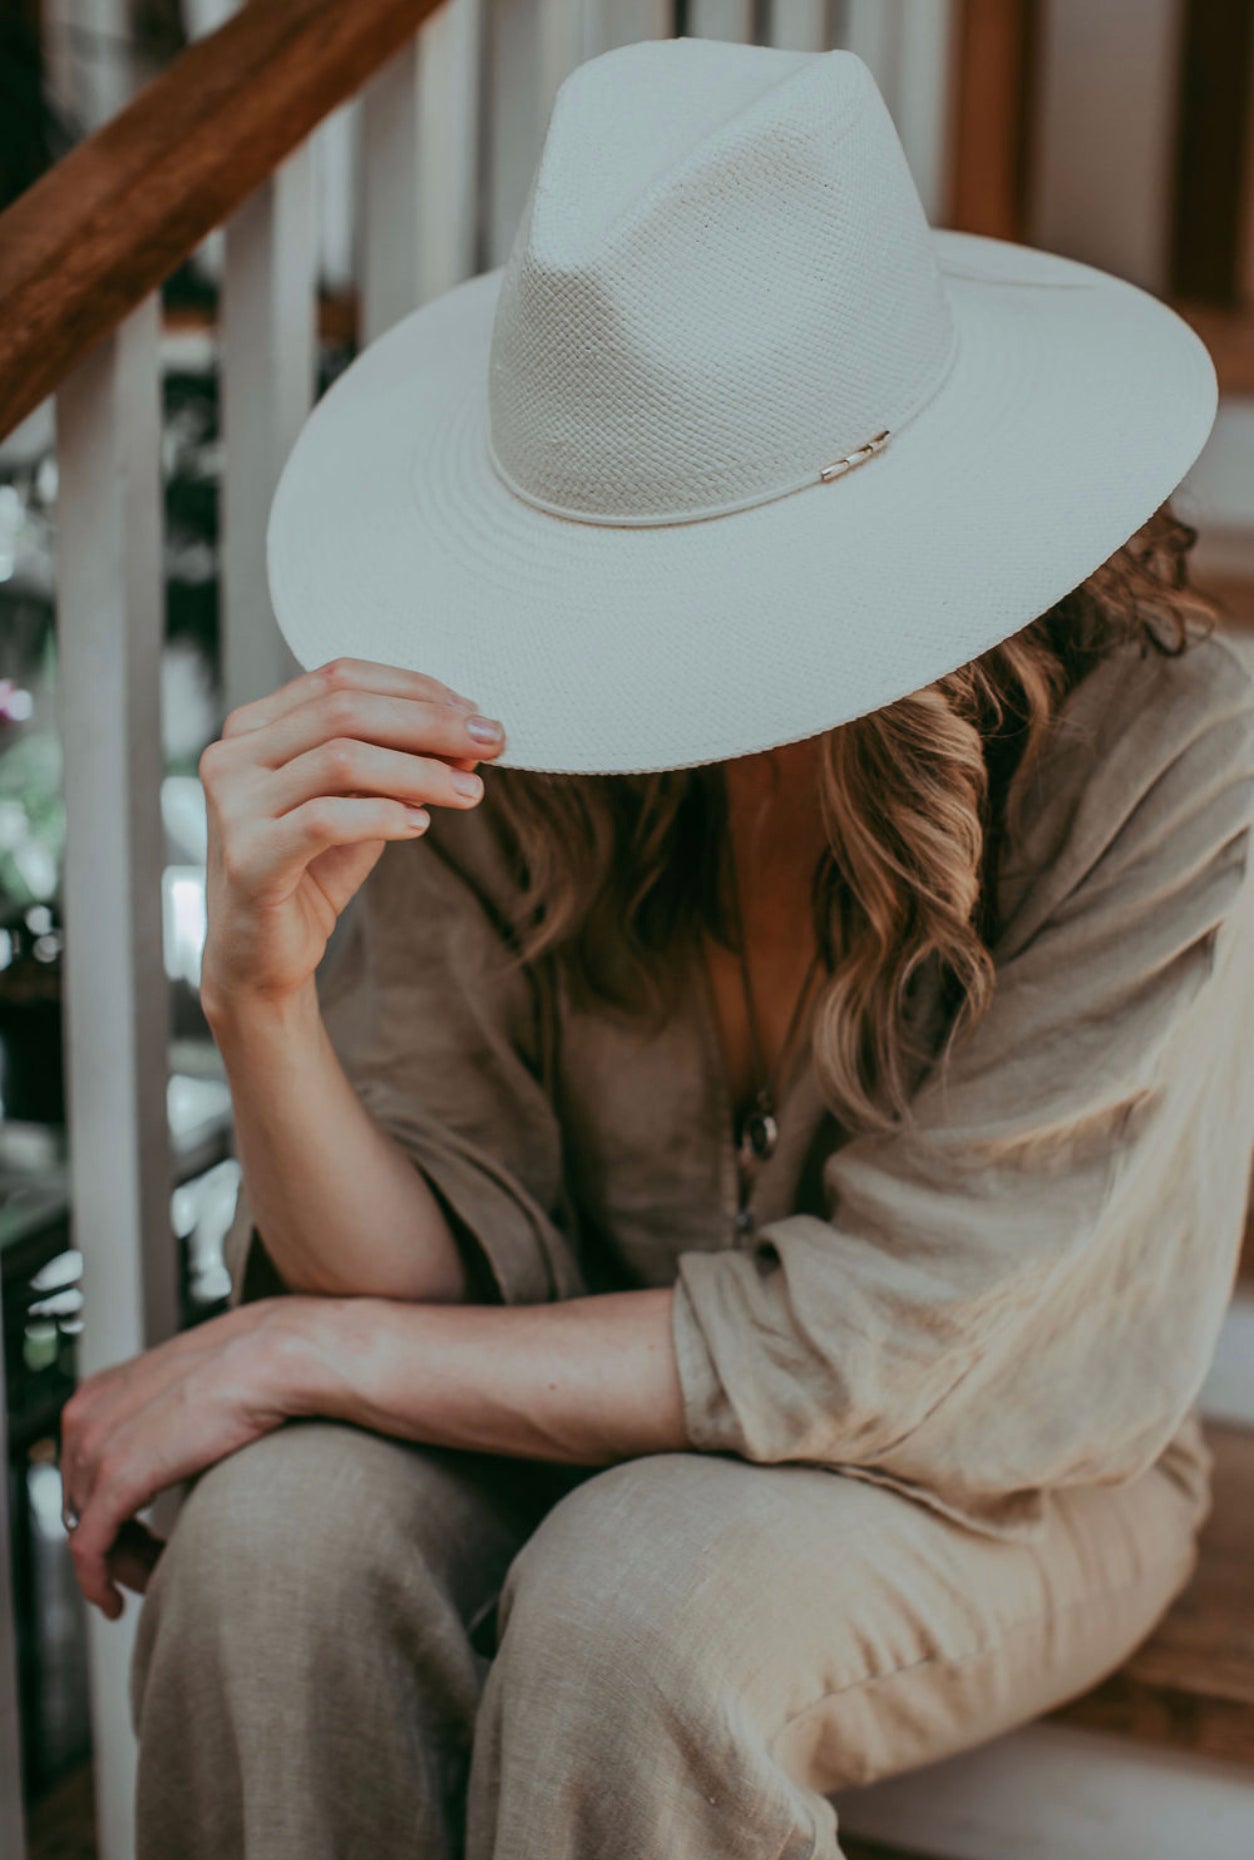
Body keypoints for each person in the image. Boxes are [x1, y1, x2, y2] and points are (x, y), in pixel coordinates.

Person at [58, 37, 1254, 1860]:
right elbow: (439, 1275)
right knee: (273, 1548)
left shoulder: (1168, 749)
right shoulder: (495, 713)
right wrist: (265, 996)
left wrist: (307, 1353)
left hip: (988, 1485)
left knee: (639, 1605)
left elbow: (890, 1347)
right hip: (547, 1409)